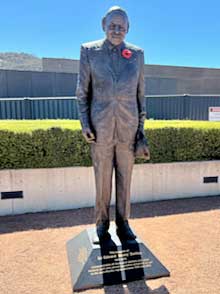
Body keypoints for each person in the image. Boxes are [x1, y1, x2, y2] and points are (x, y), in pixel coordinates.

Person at [76, 6, 150, 243]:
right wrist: (85, 123)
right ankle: (101, 224)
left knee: (125, 179)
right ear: (103, 25)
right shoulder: (89, 51)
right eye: (112, 25)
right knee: (103, 178)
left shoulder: (137, 55)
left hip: (128, 130)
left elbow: (141, 95)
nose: (116, 30)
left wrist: (140, 130)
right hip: (100, 129)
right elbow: (82, 93)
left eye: (121, 26)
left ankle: (123, 224)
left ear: (128, 28)